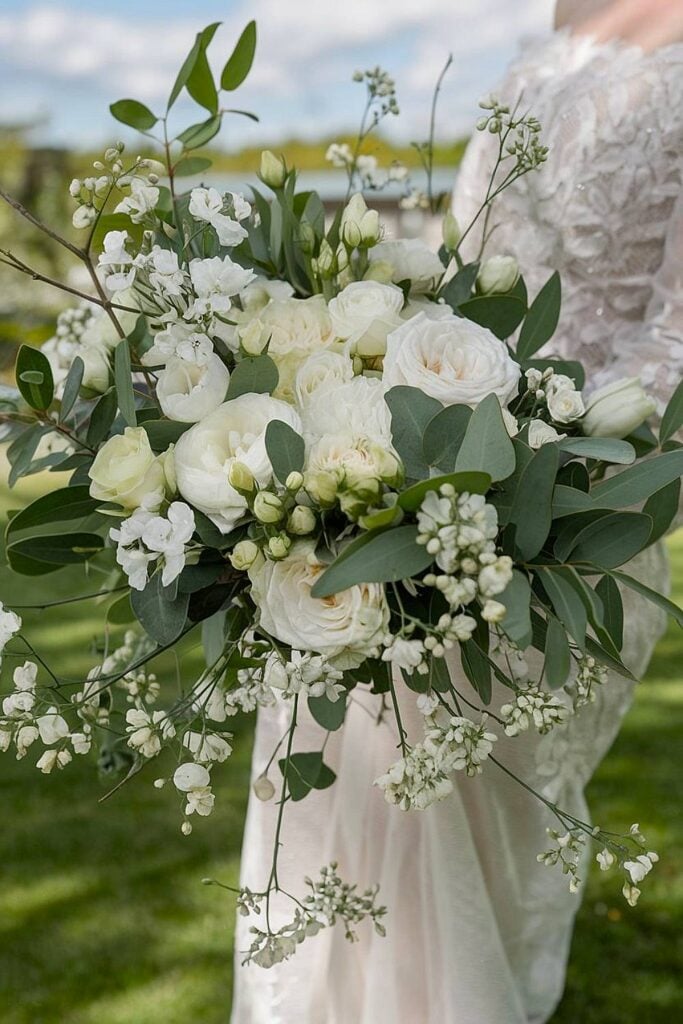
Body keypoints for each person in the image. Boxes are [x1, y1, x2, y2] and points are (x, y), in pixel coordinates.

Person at [231, 3, 682, 1020]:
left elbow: (673, 335)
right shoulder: (553, 24)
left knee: (474, 801)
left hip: (574, 501)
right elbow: (463, 262)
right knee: (337, 711)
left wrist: (543, 471)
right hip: (427, 464)